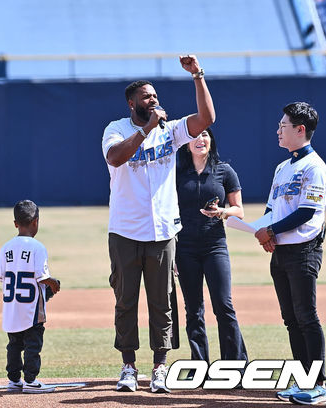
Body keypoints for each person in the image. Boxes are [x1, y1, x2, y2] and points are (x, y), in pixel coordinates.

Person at [101, 54, 215, 393]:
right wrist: (147, 128)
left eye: (155, 96)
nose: (154, 101)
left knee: (162, 301)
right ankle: (128, 366)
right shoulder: (117, 129)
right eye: (147, 98)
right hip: (124, 230)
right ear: (132, 103)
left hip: (163, 231)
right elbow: (115, 157)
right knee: (125, 300)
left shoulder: (171, 130)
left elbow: (207, 118)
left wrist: (198, 75)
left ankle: (160, 367)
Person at [254, 102, 326, 405]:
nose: (278, 130)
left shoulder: (315, 167)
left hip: (303, 251)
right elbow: (273, 208)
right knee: (291, 320)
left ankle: (320, 385)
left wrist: (271, 231)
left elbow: (308, 212)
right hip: (281, 253)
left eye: (283, 126)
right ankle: (304, 382)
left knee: (306, 317)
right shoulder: (282, 167)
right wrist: (261, 229)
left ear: (300, 130)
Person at [175, 127, 248, 372]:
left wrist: (223, 212)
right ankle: (200, 366)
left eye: (205, 134)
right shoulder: (176, 173)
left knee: (223, 305)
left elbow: (239, 209)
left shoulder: (224, 171)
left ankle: (235, 365)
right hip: (184, 248)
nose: (200, 139)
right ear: (186, 144)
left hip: (215, 245)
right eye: (194, 136)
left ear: (211, 140)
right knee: (193, 309)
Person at [0, 200, 61, 394]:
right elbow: (43, 277)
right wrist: (54, 284)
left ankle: (14, 379)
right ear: (36, 222)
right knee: (33, 344)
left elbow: (0, 276)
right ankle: (30, 380)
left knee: (14, 344)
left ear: (15, 223)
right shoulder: (38, 247)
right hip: (31, 309)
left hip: (13, 307)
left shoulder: (6, 247)